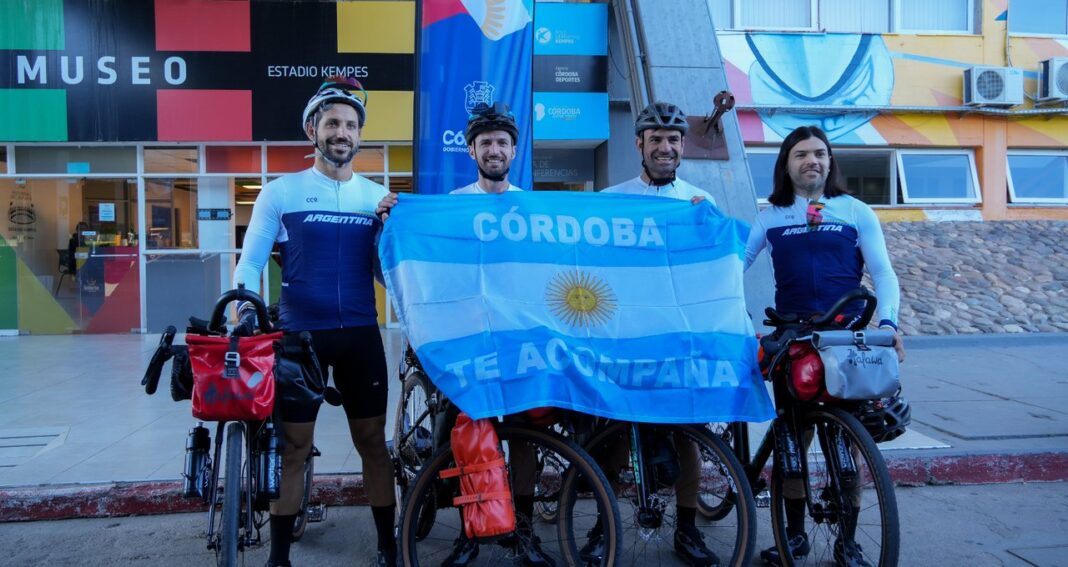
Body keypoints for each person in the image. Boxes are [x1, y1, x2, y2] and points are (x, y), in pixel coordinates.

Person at [377, 102, 551, 567]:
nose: (494, 150)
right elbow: (428, 272)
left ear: (514, 150)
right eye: (486, 143)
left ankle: (526, 532)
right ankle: (470, 535)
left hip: (517, 344)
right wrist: (394, 215)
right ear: (471, 150)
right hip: (466, 344)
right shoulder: (451, 206)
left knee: (525, 440)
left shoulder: (532, 209)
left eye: (502, 142)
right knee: (460, 438)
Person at [233, 77, 397, 567]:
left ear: (360, 134)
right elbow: (250, 263)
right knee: (295, 448)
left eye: (350, 124)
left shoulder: (377, 197)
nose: (341, 132)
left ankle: (389, 547)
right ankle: (279, 558)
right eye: (332, 123)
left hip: (360, 338)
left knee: (372, 443)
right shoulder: (280, 192)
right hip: (298, 340)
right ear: (313, 129)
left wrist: (397, 238)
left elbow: (386, 276)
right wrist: (244, 311)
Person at [744, 125, 904, 566]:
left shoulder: (855, 211)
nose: (811, 160)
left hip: (845, 339)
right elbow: (732, 264)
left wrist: (889, 324)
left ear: (830, 160)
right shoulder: (769, 216)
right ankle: (794, 536)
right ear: (786, 164)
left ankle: (847, 541)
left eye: (819, 153)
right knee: (794, 441)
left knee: (847, 444)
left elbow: (885, 274)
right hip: (792, 339)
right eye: (801, 155)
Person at [595, 101, 722, 567]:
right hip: (625, 336)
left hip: (679, 338)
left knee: (687, 435)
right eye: (656, 140)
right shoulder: (612, 201)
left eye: (673, 140)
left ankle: (687, 530)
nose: (665, 147)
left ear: (682, 146)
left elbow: (718, 274)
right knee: (611, 433)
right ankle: (599, 526)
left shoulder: (700, 203)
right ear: (639, 146)